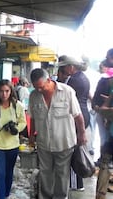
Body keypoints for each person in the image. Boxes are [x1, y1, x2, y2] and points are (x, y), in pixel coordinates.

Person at [28, 68, 86, 199]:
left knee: (62, 174)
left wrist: (82, 134)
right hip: (44, 143)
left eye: (41, 87)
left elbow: (78, 115)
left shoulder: (67, 92)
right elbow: (32, 118)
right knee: (45, 173)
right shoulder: (33, 96)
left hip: (64, 143)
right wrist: (31, 136)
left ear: (49, 80)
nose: (39, 90)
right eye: (36, 87)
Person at [57, 55, 91, 192]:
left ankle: (76, 183)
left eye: (65, 68)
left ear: (71, 67)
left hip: (77, 116)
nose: (65, 72)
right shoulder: (84, 78)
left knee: (73, 151)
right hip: (84, 114)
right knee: (76, 149)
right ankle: (78, 181)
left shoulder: (73, 81)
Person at [94, 48, 113, 199]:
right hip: (110, 134)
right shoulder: (107, 81)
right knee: (105, 163)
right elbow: (101, 106)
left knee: (105, 163)